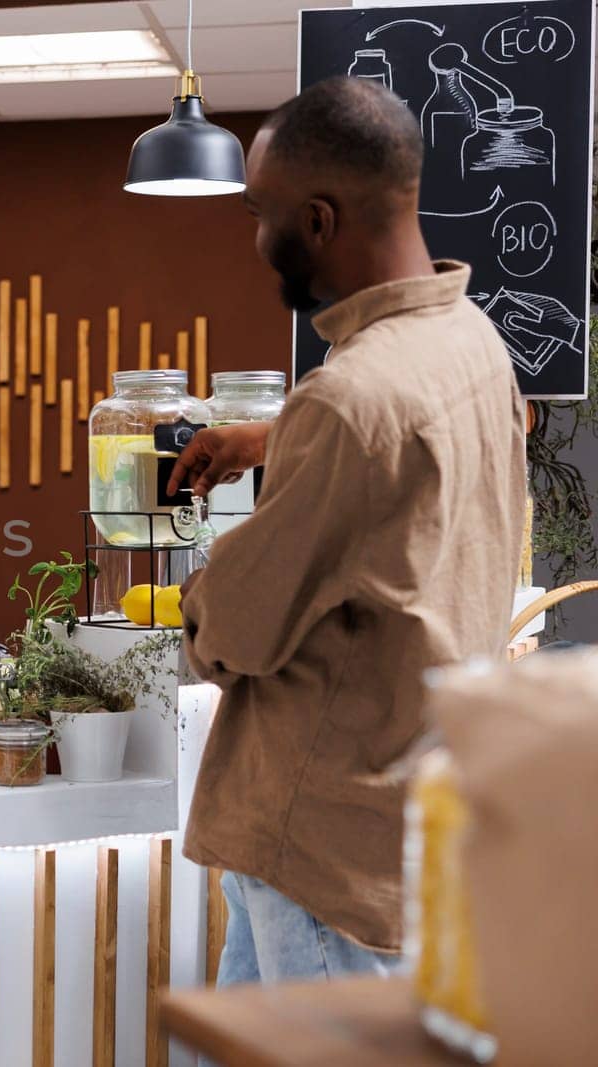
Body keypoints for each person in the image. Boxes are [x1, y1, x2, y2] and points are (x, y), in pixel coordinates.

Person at [169, 78, 525, 985]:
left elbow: (235, 629)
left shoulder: (349, 402)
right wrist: (278, 436)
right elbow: (403, 456)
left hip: (318, 846)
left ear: (318, 221)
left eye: (262, 213)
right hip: (407, 828)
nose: (258, 238)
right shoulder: (476, 343)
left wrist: (197, 589)